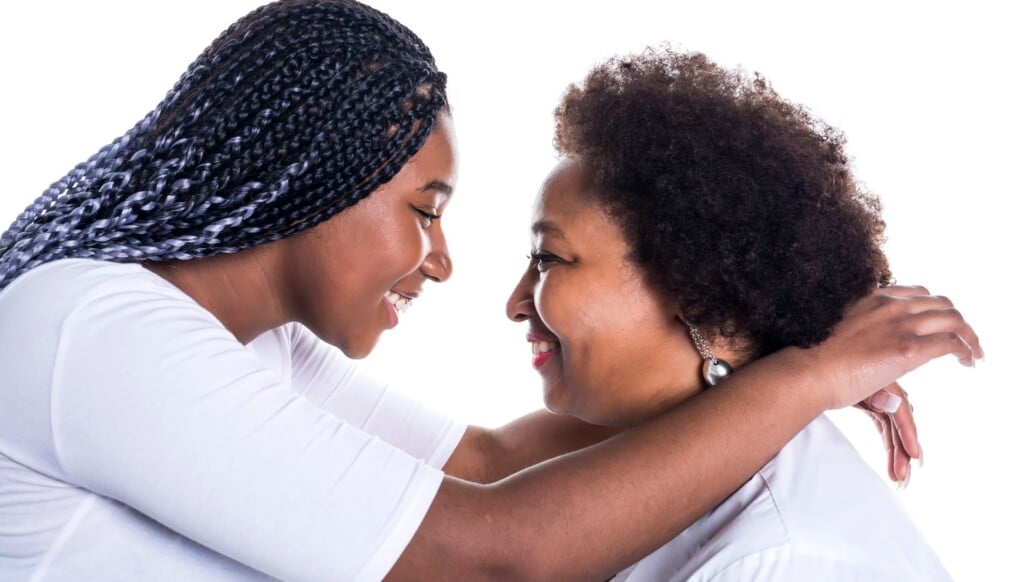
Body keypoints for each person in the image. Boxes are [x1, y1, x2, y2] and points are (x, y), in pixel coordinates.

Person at [0, 1, 979, 580]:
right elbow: (493, 555)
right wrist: (803, 378)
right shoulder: (93, 330)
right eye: (425, 209)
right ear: (316, 180)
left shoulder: (243, 344)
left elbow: (482, 461)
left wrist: (776, 356)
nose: (444, 262)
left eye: (551, 259)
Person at [506, 49, 954, 580]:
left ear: (698, 293)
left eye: (549, 260)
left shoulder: (779, 558)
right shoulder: (646, 466)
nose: (515, 304)